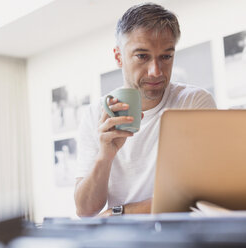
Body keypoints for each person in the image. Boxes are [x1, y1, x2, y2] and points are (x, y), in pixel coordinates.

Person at [74, 3, 216, 217]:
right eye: (142, 56)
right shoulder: (95, 114)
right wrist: (105, 155)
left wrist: (122, 213)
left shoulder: (194, 102)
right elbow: (85, 210)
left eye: (166, 56)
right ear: (119, 57)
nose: (156, 71)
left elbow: (203, 193)